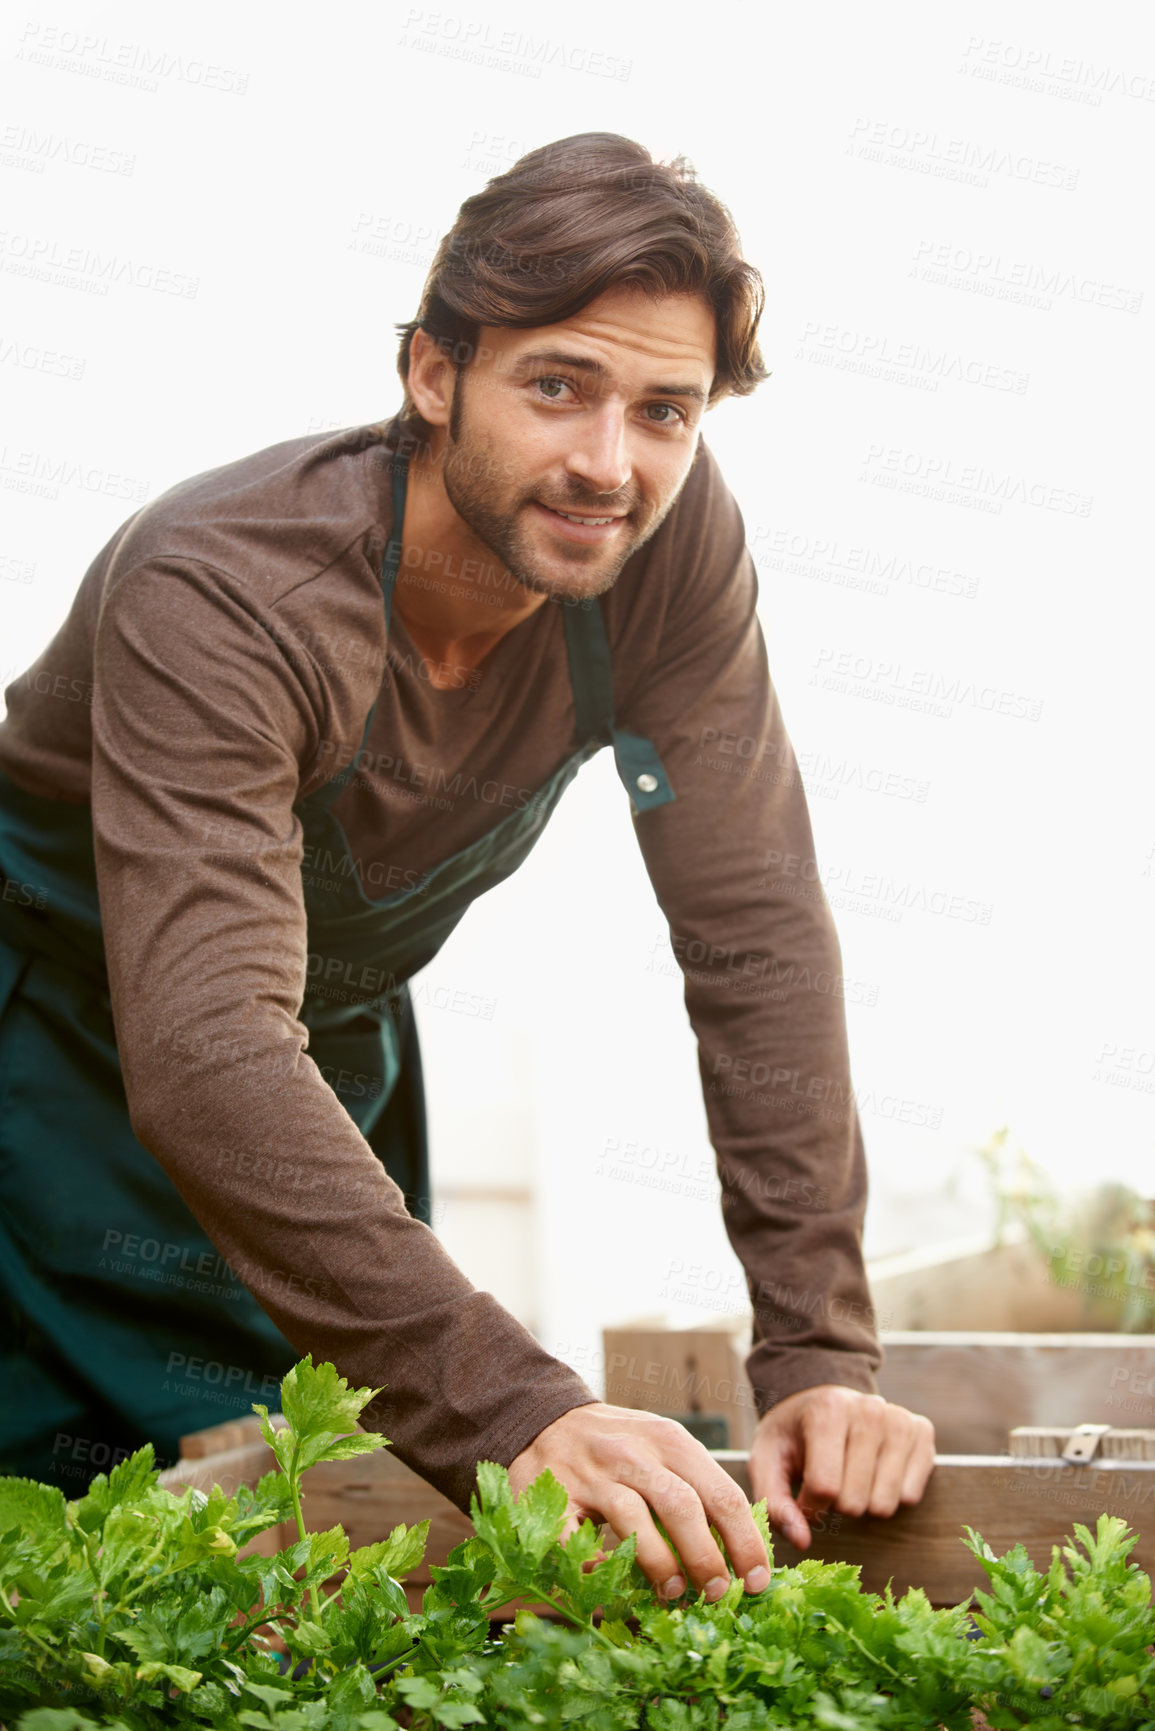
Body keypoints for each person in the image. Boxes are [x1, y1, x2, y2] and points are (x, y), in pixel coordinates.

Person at [0, 132, 933, 1603]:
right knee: (50, 1559)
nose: (608, 465)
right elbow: (201, 1043)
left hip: (316, 1070)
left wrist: (818, 1346)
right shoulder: (228, 589)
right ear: (433, 375)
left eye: (666, 411)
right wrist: (518, 1403)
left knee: (277, 1541)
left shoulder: (666, 558)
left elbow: (751, 933)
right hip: (42, 1065)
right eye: (557, 384)